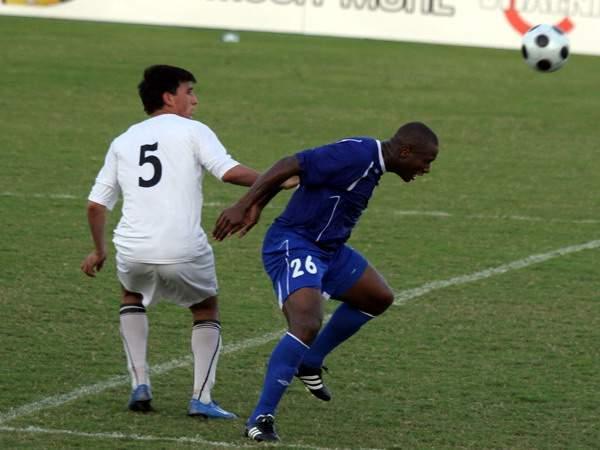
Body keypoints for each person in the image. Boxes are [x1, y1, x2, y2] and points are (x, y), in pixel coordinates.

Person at [212, 122, 440, 441]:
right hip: (295, 242)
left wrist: (258, 205)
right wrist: (244, 205)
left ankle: (310, 360)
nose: (426, 169)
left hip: (329, 250)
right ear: (405, 151)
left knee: (377, 297)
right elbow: (289, 164)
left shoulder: (373, 164)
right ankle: (260, 419)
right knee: (306, 323)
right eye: (425, 161)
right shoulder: (357, 154)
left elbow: (296, 175)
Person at [81, 64, 264, 419]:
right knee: (205, 308)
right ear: (169, 97)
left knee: (131, 295)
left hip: (132, 248)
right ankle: (201, 399)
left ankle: (140, 384)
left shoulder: (123, 140)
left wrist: (100, 250)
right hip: (182, 247)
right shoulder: (193, 131)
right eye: (189, 92)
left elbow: (95, 205)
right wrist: (279, 179)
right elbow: (229, 172)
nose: (195, 100)